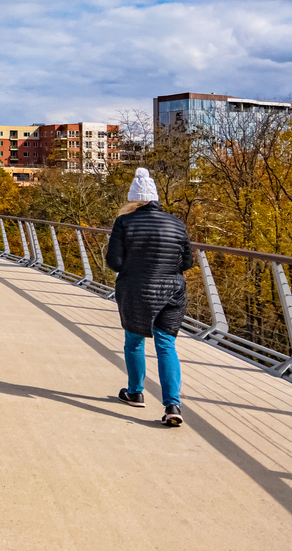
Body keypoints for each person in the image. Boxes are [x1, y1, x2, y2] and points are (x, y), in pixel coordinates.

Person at [106, 167, 193, 426]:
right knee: (166, 344)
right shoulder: (177, 224)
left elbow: (114, 261)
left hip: (136, 290)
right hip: (172, 290)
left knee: (134, 340)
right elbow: (186, 262)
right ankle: (172, 405)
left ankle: (134, 392)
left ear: (133, 199)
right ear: (155, 198)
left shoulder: (124, 222)